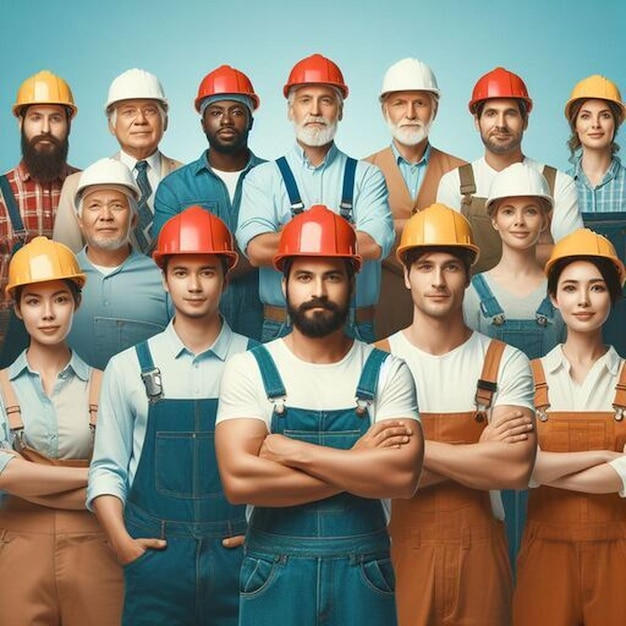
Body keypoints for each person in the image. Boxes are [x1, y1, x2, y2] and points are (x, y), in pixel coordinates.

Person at [216, 204, 422, 625]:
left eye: (332, 276)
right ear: (285, 283)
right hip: (274, 572)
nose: (319, 291)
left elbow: (401, 479)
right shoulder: (249, 367)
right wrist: (358, 459)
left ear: (352, 281)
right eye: (305, 277)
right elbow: (239, 481)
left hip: (363, 573)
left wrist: (287, 449)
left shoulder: (389, 370)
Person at [88, 206, 252, 625]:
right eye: (181, 273)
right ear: (164, 278)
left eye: (207, 272)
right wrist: (121, 542)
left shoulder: (259, 363)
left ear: (225, 277)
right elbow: (107, 468)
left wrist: (260, 531)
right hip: (155, 565)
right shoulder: (127, 367)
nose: (194, 286)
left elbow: (276, 463)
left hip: (241, 563)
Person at [378, 203, 536, 625]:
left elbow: (515, 469)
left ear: (469, 276)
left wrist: (411, 454)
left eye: (451, 267)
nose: (438, 280)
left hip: (481, 558)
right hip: (397, 556)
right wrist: (477, 453)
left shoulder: (507, 361)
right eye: (425, 266)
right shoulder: (376, 363)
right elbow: (373, 474)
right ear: (407, 275)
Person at [0, 237, 122, 626]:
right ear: (17, 309)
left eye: (60, 299)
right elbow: (6, 475)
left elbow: (128, 482)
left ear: (77, 303)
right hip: (17, 551)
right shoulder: (1, 386)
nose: (48, 313)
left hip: (97, 550)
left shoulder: (108, 385)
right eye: (34, 301)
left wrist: (27, 480)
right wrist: (96, 477)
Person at [237, 53, 394, 343]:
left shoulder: (368, 176)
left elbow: (374, 243)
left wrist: (285, 236)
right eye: (305, 100)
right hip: (281, 326)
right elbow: (257, 249)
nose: (315, 110)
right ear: (290, 110)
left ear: (340, 110)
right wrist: (345, 235)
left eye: (326, 100)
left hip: (355, 326)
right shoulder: (262, 178)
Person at [513, 228, 626, 625]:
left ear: (613, 295)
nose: (583, 300)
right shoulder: (524, 378)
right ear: (553, 297)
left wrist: (542, 470)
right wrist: (605, 457)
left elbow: (531, 469)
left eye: (596, 288)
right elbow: (516, 467)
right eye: (571, 288)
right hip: (545, 553)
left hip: (619, 558)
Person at [463, 162, 565, 572]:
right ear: (494, 219)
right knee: (494, 551)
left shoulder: (563, 291)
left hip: (549, 433)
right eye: (508, 211)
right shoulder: (472, 291)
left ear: (546, 218)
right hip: (489, 435)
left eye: (531, 211)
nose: (520, 221)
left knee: (543, 551)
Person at [153, 65, 265, 340]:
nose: (226, 120)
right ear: (203, 123)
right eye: (216, 112)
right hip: (195, 331)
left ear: (251, 121)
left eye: (237, 112)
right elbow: (170, 260)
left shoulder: (276, 180)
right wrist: (263, 251)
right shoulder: (175, 187)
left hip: (267, 329)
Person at [437, 66, 582, 273]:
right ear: (477, 122)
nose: (501, 124)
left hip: (543, 303)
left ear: (526, 121)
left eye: (511, 114)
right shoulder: (453, 183)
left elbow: (574, 258)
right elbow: (446, 260)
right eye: (491, 114)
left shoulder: (559, 183)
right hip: (472, 304)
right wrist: (545, 248)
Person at [366, 58, 467, 339]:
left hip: (447, 315)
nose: (410, 113)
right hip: (381, 312)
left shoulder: (463, 172)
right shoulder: (361, 172)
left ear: (434, 108)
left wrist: (389, 229)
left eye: (420, 103)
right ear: (385, 109)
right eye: (399, 103)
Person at [54, 68, 183, 254]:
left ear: (166, 122)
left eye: (150, 111)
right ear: (111, 125)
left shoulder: (190, 181)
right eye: (129, 112)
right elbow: (67, 262)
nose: (140, 120)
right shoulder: (77, 185)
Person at [0, 70, 80, 366]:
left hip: (80, 347)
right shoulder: (0, 194)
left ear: (69, 124)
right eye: (36, 118)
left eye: (55, 118)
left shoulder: (89, 190)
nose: (45, 128)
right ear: (21, 122)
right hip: (8, 351)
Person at [66, 158, 171, 369]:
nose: (106, 216)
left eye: (117, 206)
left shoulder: (163, 279)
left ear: (133, 220)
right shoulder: (61, 274)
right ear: (80, 220)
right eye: (94, 206)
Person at [565, 74, 626, 356]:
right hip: (574, 303)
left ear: (617, 123)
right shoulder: (559, 187)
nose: (596, 124)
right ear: (575, 125)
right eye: (586, 116)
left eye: (605, 116)